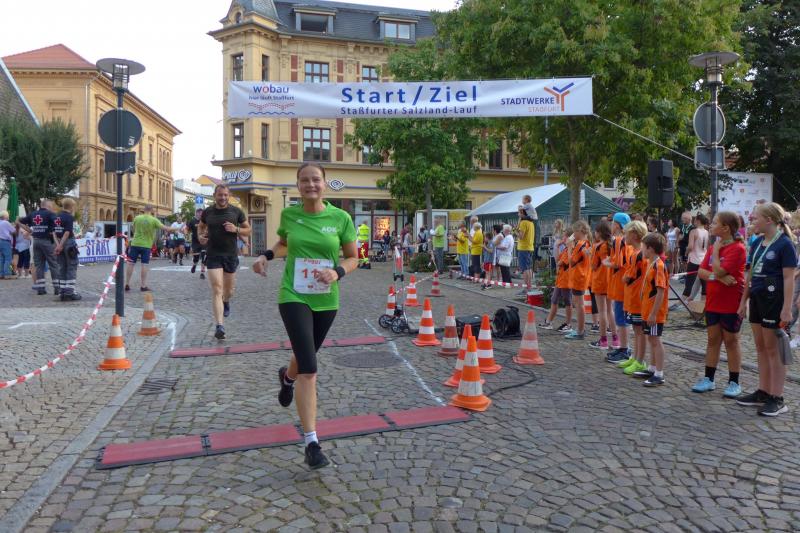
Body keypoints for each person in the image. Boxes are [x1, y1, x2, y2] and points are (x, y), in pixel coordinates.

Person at [252, 162, 358, 469]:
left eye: (316, 180)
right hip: (294, 295)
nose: (311, 185)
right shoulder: (289, 215)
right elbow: (285, 243)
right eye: (305, 180)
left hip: (326, 300)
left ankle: (287, 378)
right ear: (298, 185)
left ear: (325, 183)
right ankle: (312, 443)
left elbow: (353, 257)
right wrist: (266, 255)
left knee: (304, 355)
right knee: (309, 368)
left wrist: (337, 272)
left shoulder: (340, 218)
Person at [736, 202, 797, 417]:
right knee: (761, 347)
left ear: (769, 220)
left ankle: (777, 398)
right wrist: (743, 301)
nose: (752, 219)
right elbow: (750, 276)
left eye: (756, 217)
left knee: (774, 351)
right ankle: (763, 391)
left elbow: (789, 278)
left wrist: (787, 309)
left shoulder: (785, 244)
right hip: (757, 299)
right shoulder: (757, 243)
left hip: (774, 301)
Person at [692, 211, 746, 397]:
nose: (711, 225)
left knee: (731, 341)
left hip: (731, 302)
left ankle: (734, 382)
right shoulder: (713, 247)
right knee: (713, 339)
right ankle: (709, 379)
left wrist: (715, 252)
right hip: (713, 301)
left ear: (726, 228)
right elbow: (701, 272)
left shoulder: (738, 248)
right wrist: (719, 278)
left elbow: (718, 269)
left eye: (715, 222)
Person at [198, 184, 251, 340]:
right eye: (220, 195)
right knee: (217, 289)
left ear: (229, 196)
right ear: (215, 195)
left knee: (228, 291)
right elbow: (201, 226)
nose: (223, 198)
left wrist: (236, 229)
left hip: (230, 256)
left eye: (225, 195)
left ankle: (226, 301)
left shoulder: (236, 212)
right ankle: (219, 326)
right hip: (213, 255)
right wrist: (200, 236)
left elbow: (248, 229)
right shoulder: (208, 212)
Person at [615, 221, 649, 373]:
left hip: (637, 298)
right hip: (632, 297)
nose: (624, 237)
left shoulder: (639, 254)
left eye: (626, 233)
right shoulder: (635, 253)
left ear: (634, 235)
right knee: (636, 330)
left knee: (639, 331)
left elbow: (628, 276)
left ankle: (640, 360)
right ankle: (635, 357)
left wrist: (625, 277)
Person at [639, 232, 669, 386]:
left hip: (654, 313)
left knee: (655, 340)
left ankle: (659, 373)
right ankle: (652, 368)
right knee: (651, 338)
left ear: (650, 249)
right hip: (647, 310)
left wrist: (653, 313)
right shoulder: (651, 263)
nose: (641, 250)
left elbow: (660, 291)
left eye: (643, 247)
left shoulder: (659, 266)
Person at [126, 205, 177, 291]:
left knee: (130, 264)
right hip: (146, 246)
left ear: (144, 210)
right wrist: (178, 228)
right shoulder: (154, 220)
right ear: (152, 211)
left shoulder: (137, 218)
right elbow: (166, 228)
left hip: (135, 244)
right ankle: (143, 286)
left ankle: (127, 283)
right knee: (144, 265)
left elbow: (133, 229)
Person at [605, 212, 631, 361]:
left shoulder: (619, 241)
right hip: (622, 283)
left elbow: (618, 263)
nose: (611, 225)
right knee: (621, 317)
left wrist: (606, 262)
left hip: (620, 283)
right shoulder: (625, 240)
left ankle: (624, 349)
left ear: (617, 225)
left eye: (612, 222)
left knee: (621, 318)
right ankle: (623, 347)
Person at [18, 200, 59, 295]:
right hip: (47, 242)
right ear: (48, 205)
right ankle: (57, 288)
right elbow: (58, 223)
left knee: (39, 266)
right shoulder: (50, 214)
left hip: (36, 241)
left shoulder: (33, 214)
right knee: (53, 264)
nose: (52, 208)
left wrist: (25, 227)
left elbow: (20, 221)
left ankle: (40, 288)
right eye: (51, 206)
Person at [589, 220, 616, 349]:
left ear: (599, 233)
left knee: (602, 311)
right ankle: (616, 339)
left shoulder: (597, 246)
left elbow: (593, 266)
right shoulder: (613, 245)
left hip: (599, 281)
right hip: (610, 280)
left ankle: (603, 340)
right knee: (610, 310)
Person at [541, 232, 572, 331]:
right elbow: (557, 259)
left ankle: (568, 324)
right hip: (560, 279)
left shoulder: (570, 250)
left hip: (566, 280)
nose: (563, 238)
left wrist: (559, 262)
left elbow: (559, 263)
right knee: (554, 299)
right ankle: (548, 322)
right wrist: (557, 247)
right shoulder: (565, 249)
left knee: (567, 301)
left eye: (564, 236)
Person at [566, 221, 592, 340]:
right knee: (579, 304)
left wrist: (569, 247)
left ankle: (580, 330)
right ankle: (580, 329)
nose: (573, 234)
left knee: (579, 304)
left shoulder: (580, 244)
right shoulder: (587, 243)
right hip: (582, 276)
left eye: (574, 232)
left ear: (579, 231)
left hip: (578, 277)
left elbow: (571, 261)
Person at [53, 198, 81, 301]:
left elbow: (54, 232)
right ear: (72, 207)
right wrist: (61, 245)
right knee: (71, 267)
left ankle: (63, 292)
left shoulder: (56, 217)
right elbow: (67, 232)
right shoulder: (69, 217)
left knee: (62, 268)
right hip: (69, 243)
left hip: (58, 242)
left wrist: (58, 245)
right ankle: (69, 292)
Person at [684, 214, 709, 302]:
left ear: (698, 221)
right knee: (704, 284)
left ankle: (681, 302)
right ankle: (702, 304)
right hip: (703, 260)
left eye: (694, 220)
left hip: (694, 259)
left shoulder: (693, 231)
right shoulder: (707, 232)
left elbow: (690, 246)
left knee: (689, 282)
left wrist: (686, 252)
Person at [516, 206, 535, 295]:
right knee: (529, 268)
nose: (518, 214)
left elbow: (521, 236)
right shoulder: (531, 223)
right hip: (529, 247)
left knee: (524, 269)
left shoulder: (523, 223)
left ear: (523, 213)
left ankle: (526, 289)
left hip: (523, 248)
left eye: (519, 213)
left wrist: (514, 231)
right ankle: (529, 287)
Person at [186, 208, 207, 280]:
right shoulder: (192, 221)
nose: (201, 215)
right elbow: (187, 229)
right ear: (197, 213)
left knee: (204, 256)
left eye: (202, 214)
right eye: (200, 214)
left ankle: (202, 273)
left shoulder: (205, 221)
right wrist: (186, 232)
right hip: (195, 242)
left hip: (204, 241)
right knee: (196, 257)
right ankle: (194, 265)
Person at [0, 210, 16, 279]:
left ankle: (1, 274)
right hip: (5, 241)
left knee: (1, 258)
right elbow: (14, 231)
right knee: (8, 258)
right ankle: (7, 274)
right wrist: (14, 226)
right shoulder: (6, 222)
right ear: (5, 216)